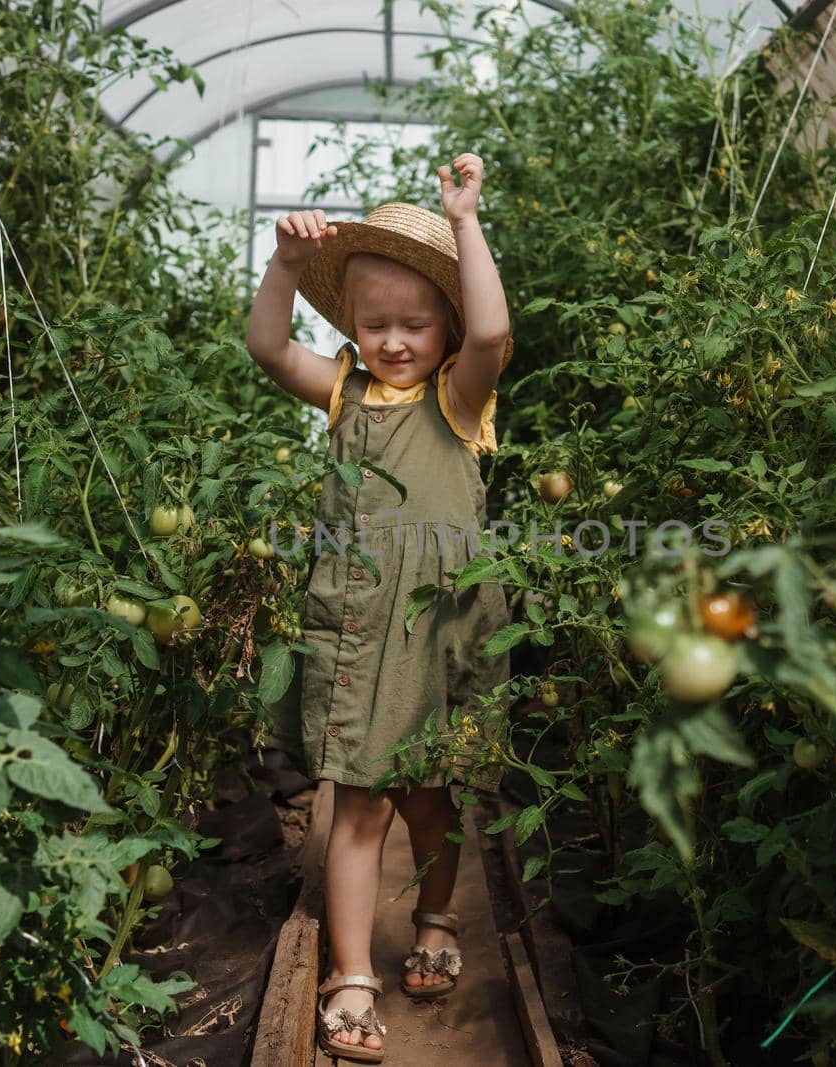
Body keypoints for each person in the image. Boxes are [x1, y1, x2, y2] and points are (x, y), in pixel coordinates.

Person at [244, 153, 514, 1063]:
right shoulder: (347, 391)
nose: (395, 340)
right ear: (353, 328)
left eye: (415, 323)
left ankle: (436, 917)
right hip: (361, 621)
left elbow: (493, 331)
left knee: (432, 797)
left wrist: (466, 224)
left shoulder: (458, 396)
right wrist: (284, 265)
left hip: (437, 627)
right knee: (356, 801)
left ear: (443, 322)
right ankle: (351, 972)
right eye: (375, 325)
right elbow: (270, 348)